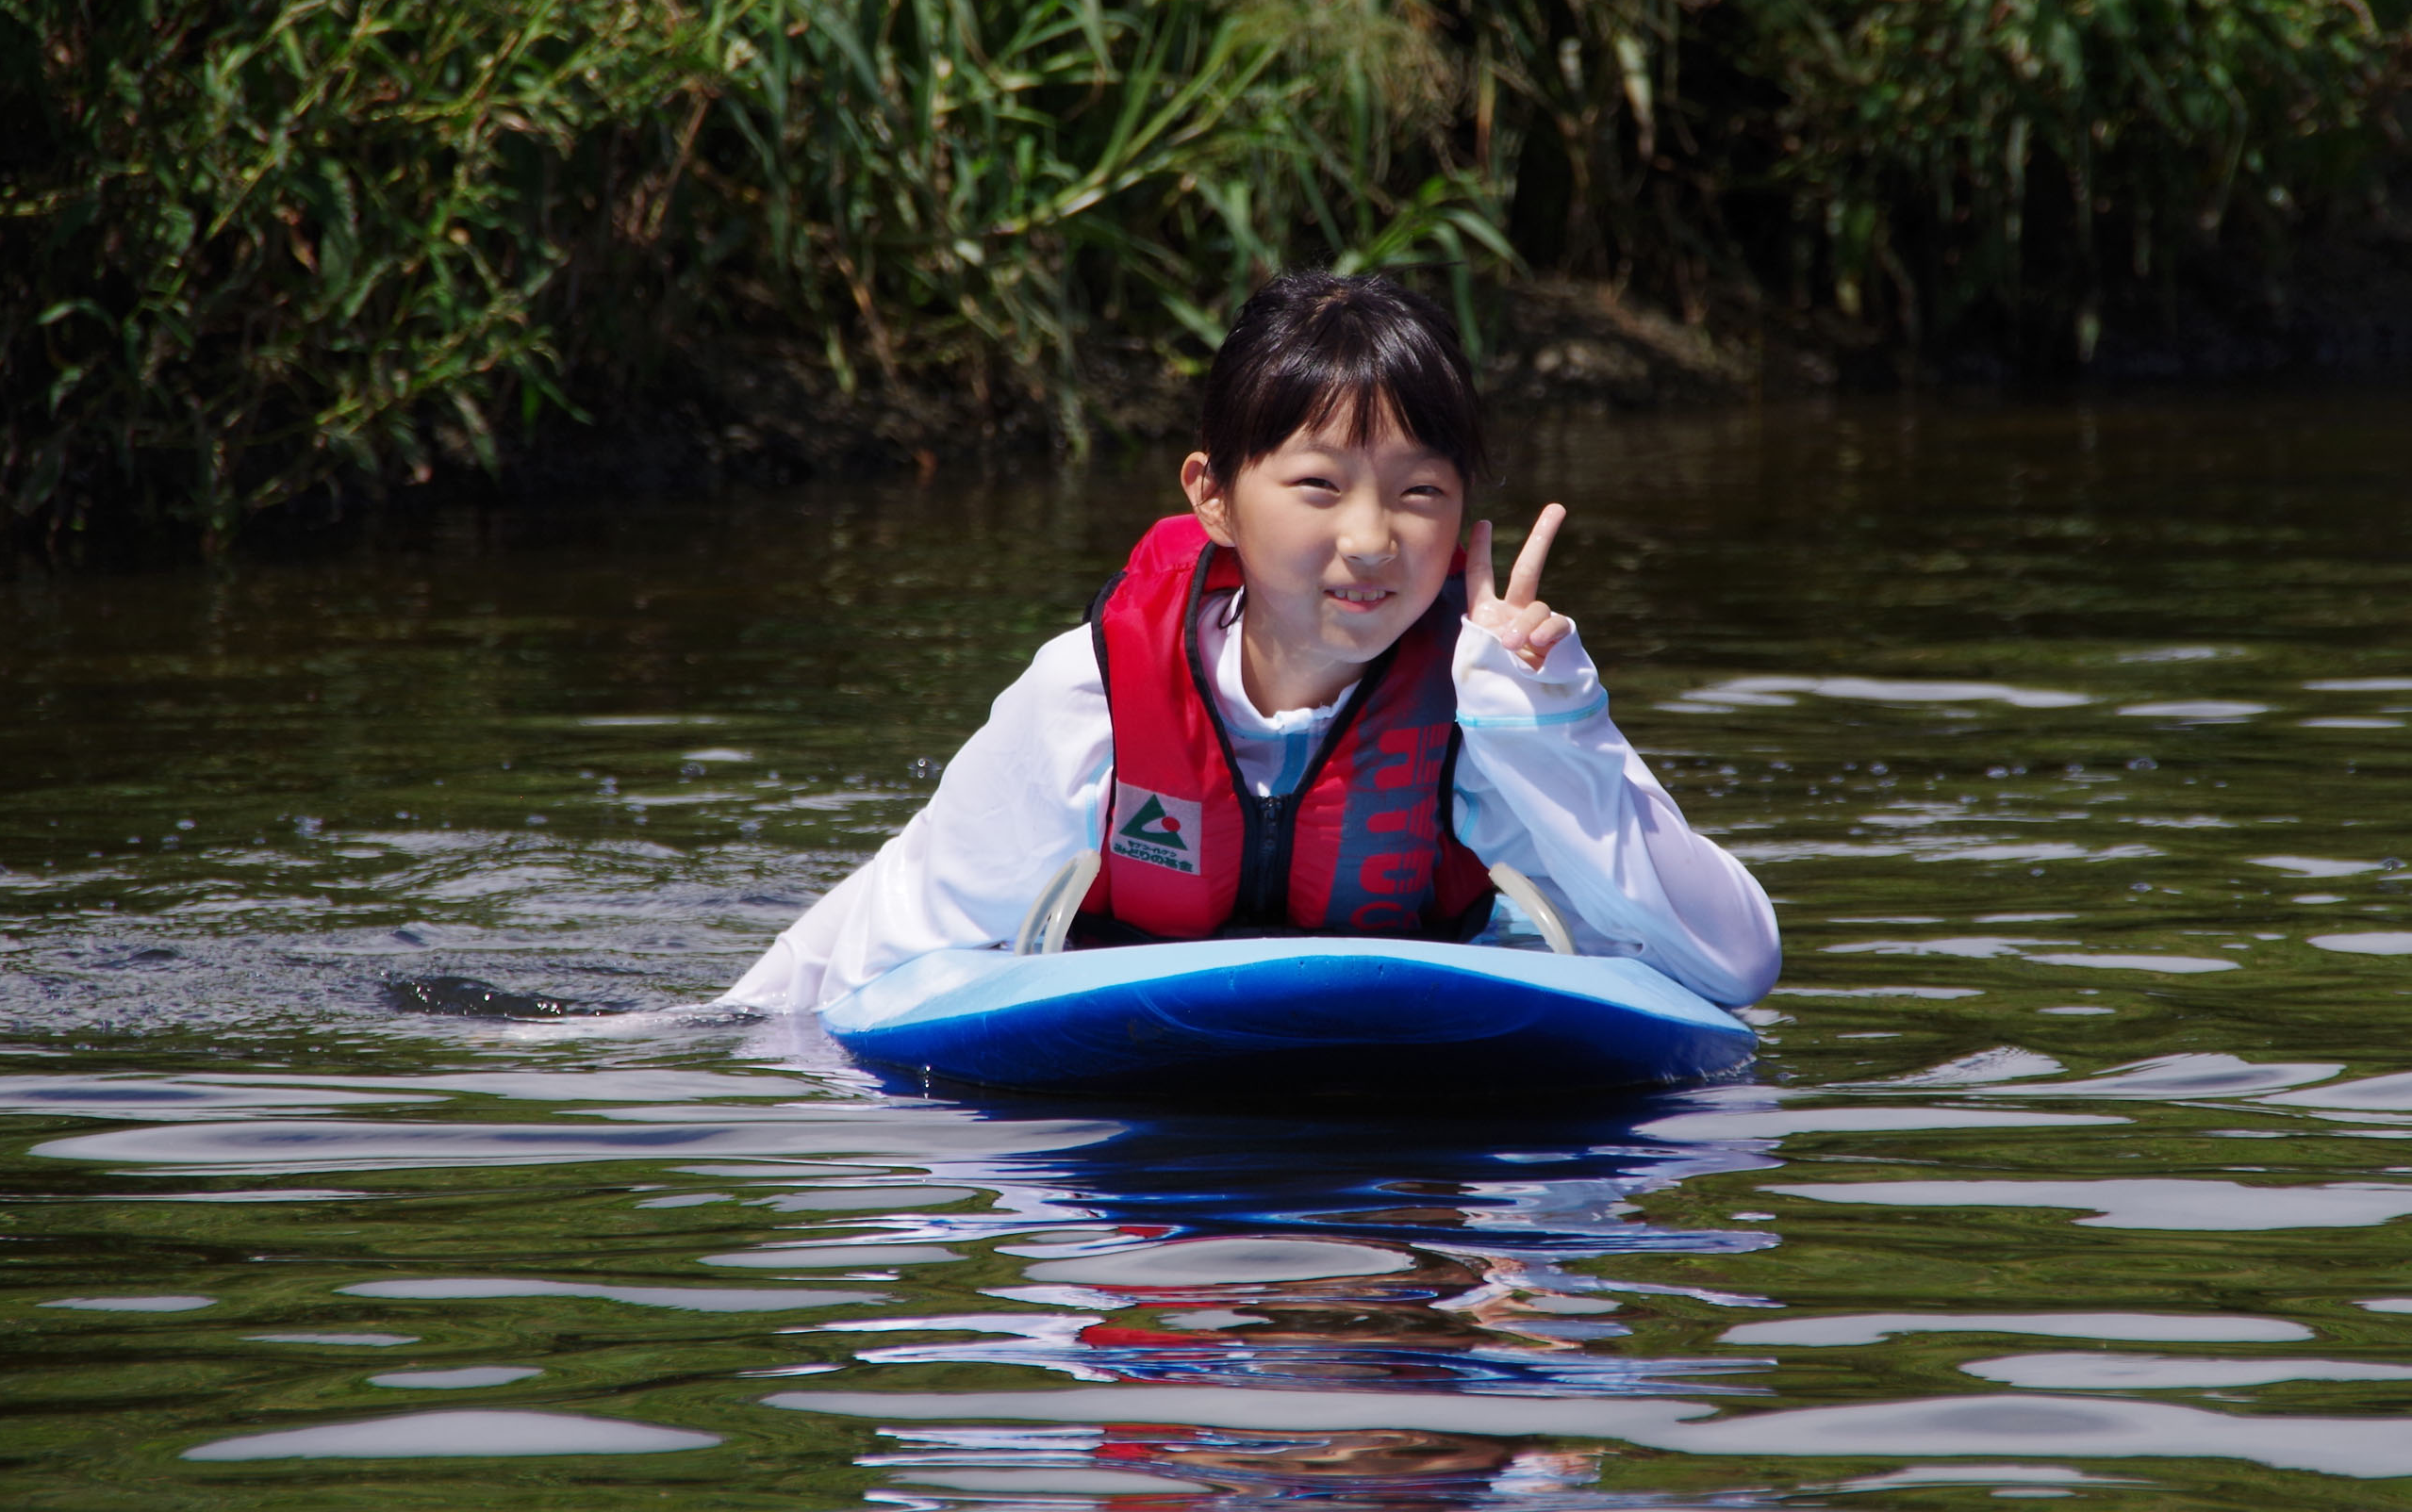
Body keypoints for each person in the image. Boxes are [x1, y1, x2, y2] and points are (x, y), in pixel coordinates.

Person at [716, 271, 1778, 1013]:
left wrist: (1549, 724)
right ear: (1214, 497)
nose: (1372, 540)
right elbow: (889, 932)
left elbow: (1733, 959)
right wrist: (700, 1041)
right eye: (1318, 484)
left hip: (1417, 1197)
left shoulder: (1494, 699)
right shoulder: (1088, 696)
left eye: (1421, 492)